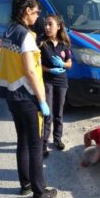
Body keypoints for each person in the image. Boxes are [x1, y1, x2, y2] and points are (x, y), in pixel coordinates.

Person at [0, 0, 57, 198]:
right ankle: (39, 193)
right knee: (35, 144)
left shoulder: (9, 31)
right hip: (28, 97)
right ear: (26, 11)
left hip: (12, 96)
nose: (38, 15)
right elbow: (31, 71)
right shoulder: (26, 36)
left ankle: (25, 184)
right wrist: (42, 100)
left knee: (22, 140)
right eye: (36, 11)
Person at [38, 14, 72, 158]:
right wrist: (49, 69)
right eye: (45, 24)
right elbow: (37, 65)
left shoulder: (65, 44)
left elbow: (70, 64)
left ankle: (57, 139)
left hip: (62, 82)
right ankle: (43, 144)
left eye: (50, 24)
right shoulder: (41, 43)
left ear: (58, 27)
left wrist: (63, 64)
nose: (46, 27)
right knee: (49, 115)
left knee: (59, 113)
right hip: (48, 81)